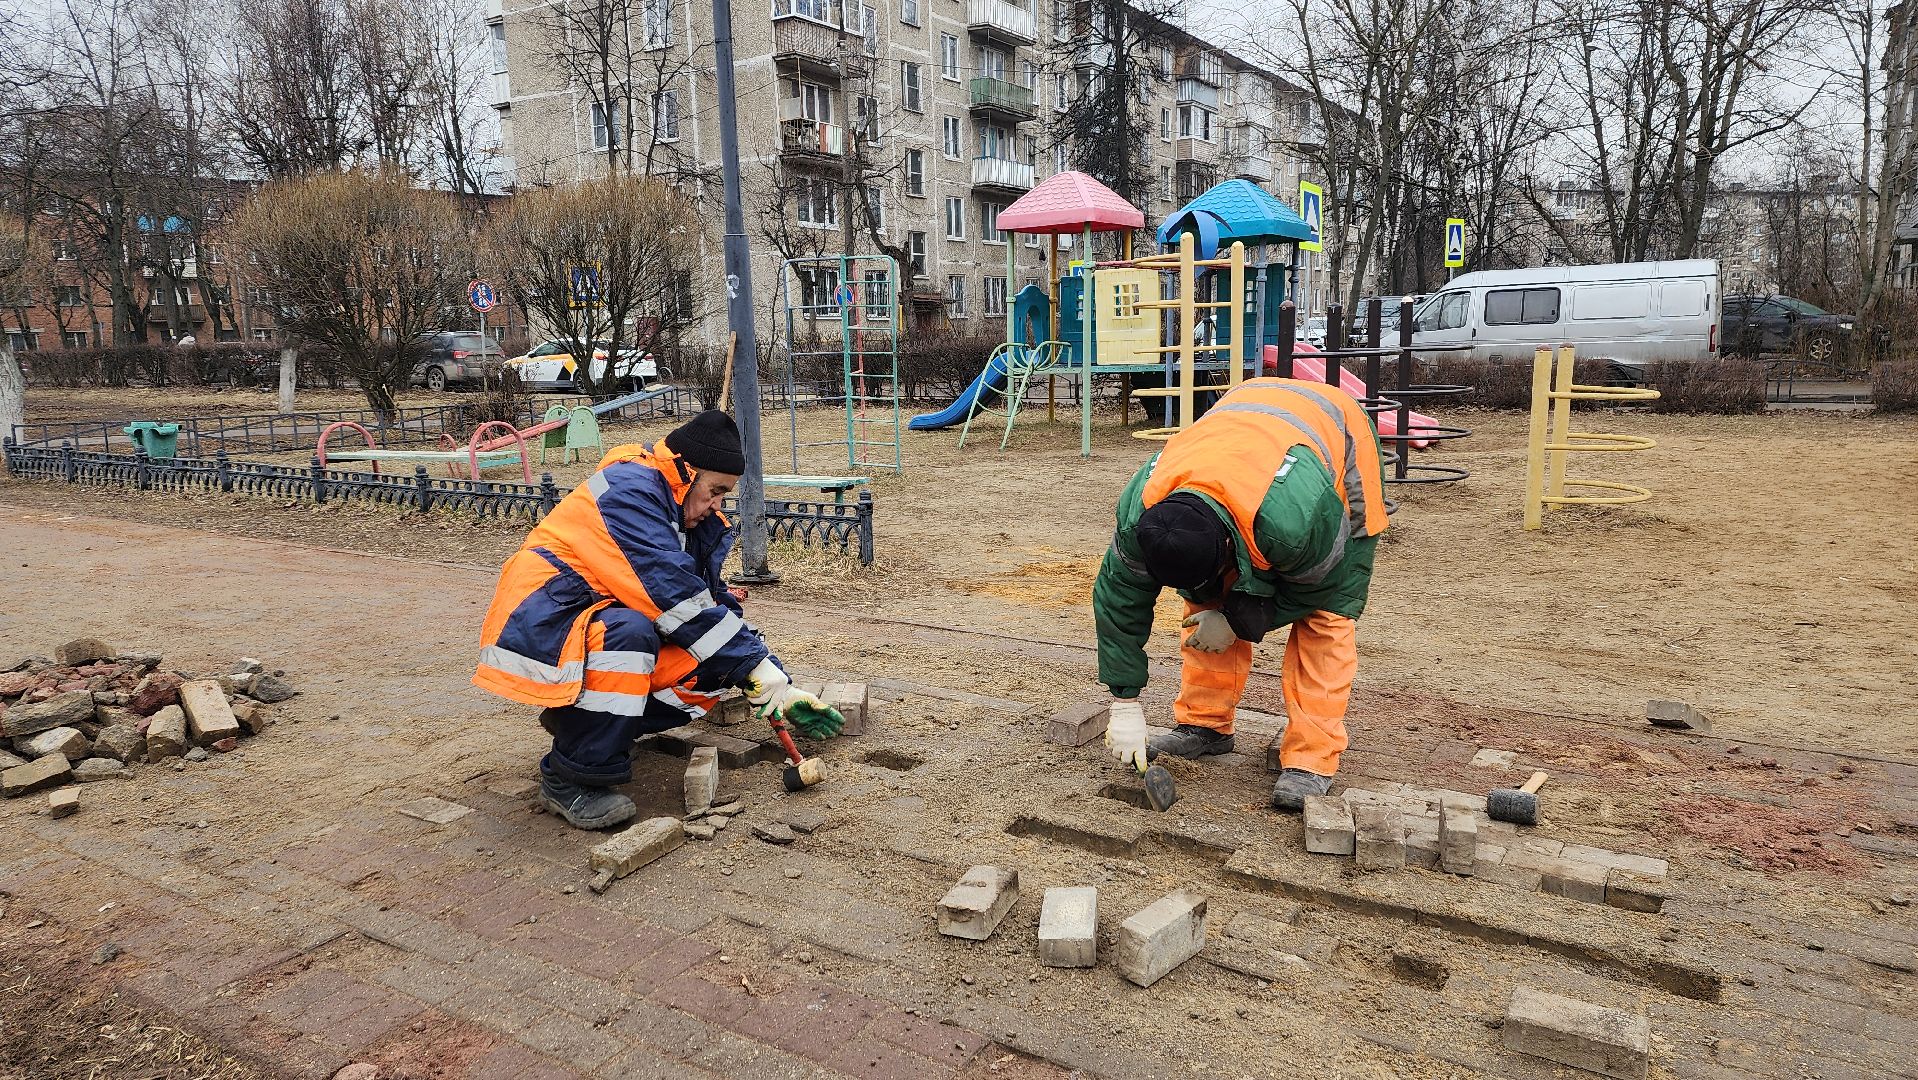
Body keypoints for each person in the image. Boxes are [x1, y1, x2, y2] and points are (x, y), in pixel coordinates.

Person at [473, 410, 839, 829]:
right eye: (715, 491)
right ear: (687, 474)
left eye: (725, 495)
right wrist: (754, 666)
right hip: (546, 621)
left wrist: (774, 679)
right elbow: (672, 596)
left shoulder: (679, 512)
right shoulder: (630, 492)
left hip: (589, 620)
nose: (718, 506)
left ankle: (585, 726)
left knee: (717, 666)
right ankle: (568, 777)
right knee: (629, 637)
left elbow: (708, 604)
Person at [1092, 377, 1389, 810]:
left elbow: (1324, 586)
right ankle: (1205, 726)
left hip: (1336, 443)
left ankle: (1311, 758)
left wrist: (1235, 619)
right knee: (1203, 609)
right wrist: (1124, 701)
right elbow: (1119, 602)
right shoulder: (1142, 509)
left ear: (1230, 548)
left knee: (1325, 621)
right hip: (1237, 441)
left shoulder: (1293, 518)